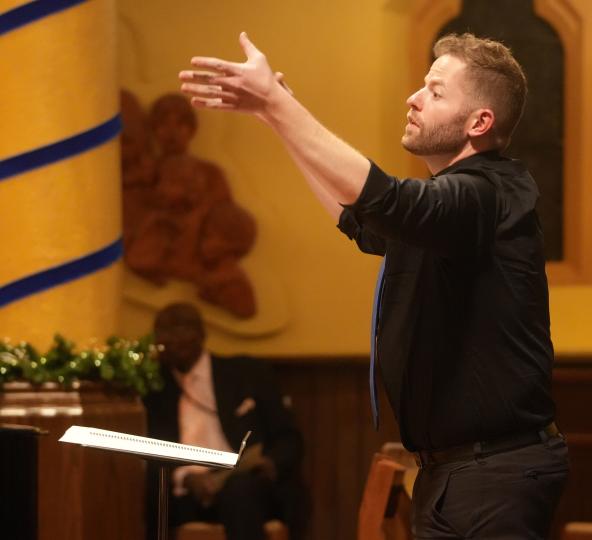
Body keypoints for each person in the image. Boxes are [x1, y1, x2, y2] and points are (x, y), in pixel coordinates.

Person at [180, 31, 568, 538]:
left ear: (479, 122)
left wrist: (278, 103)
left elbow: (388, 201)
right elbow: (361, 219)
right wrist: (277, 117)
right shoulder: (442, 211)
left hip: (498, 470)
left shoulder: (491, 194)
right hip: (450, 471)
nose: (414, 97)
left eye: (435, 91)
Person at [143, 302, 305, 540]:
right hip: (185, 491)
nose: (172, 338)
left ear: (201, 334)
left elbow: (289, 438)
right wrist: (185, 478)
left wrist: (268, 463)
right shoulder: (154, 389)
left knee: (240, 492)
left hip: (244, 483)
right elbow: (148, 453)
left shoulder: (246, 373)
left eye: (181, 328)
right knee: (150, 500)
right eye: (164, 331)